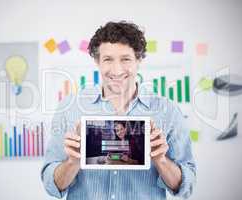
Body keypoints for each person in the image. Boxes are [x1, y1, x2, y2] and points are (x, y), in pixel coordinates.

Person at [41, 21, 196, 200]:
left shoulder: (167, 111)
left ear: (139, 60)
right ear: (97, 61)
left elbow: (186, 187)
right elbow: (51, 185)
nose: (117, 70)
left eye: (126, 59)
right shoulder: (70, 108)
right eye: (108, 59)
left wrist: (161, 160)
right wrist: (72, 162)